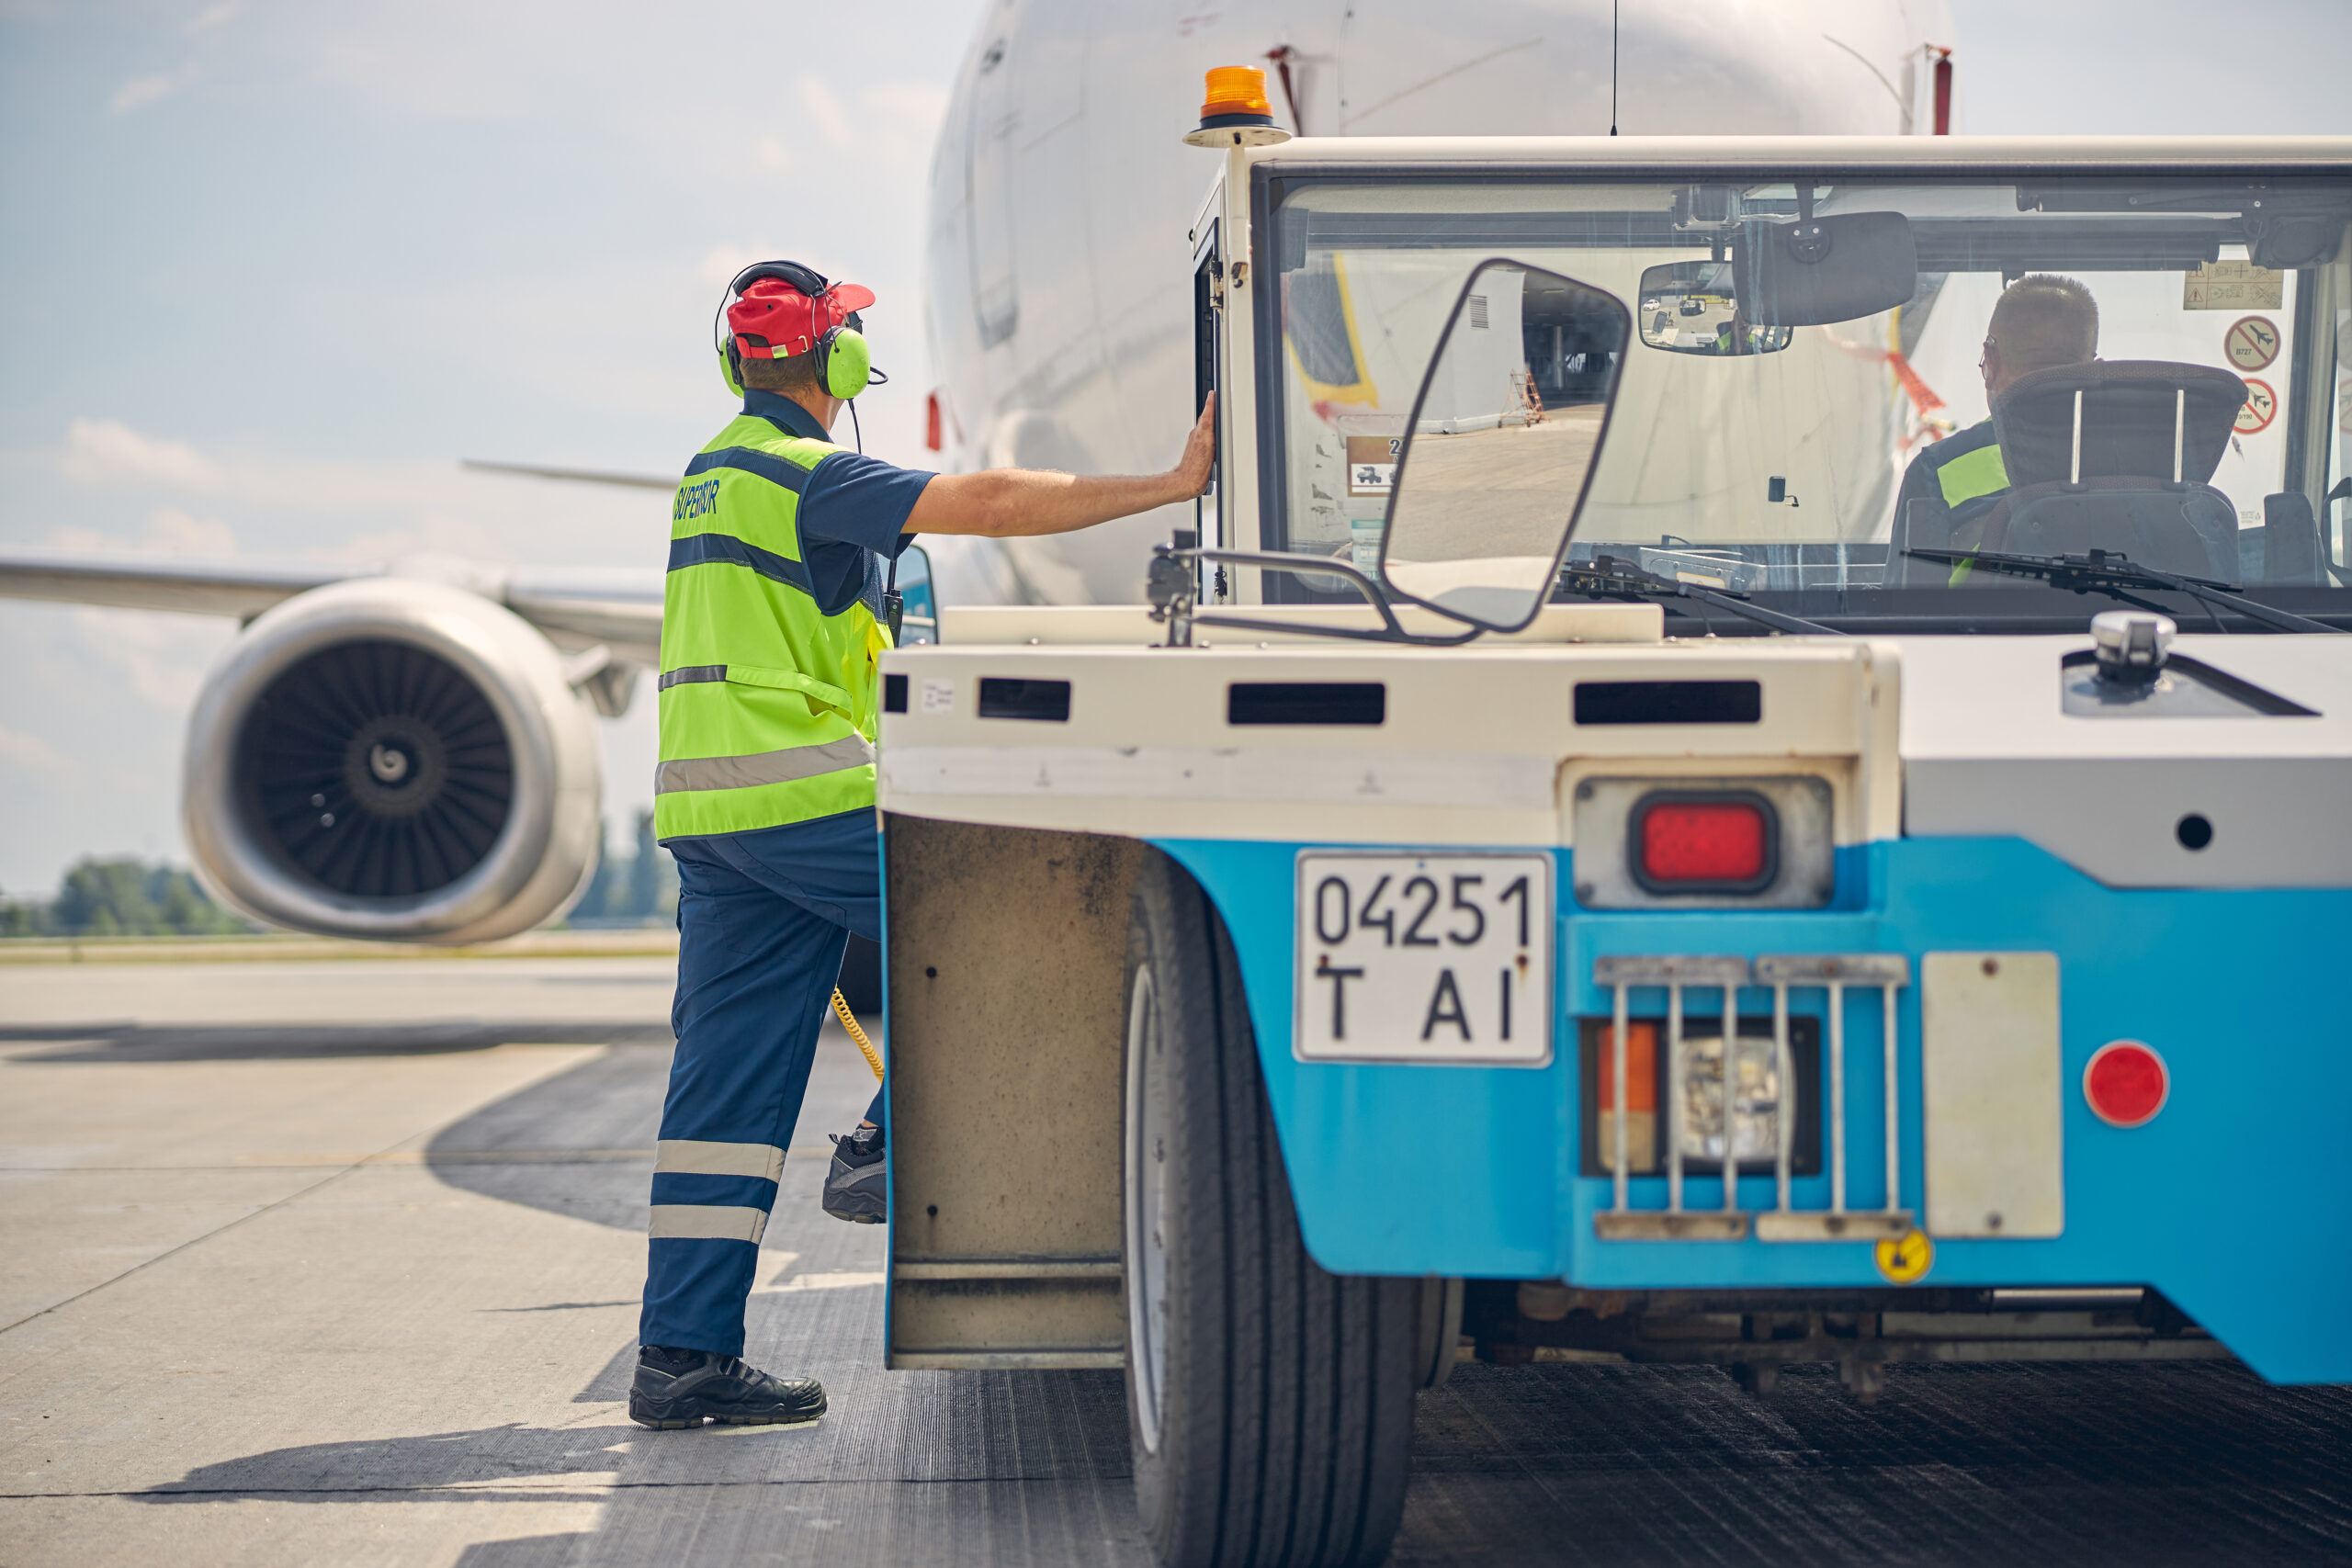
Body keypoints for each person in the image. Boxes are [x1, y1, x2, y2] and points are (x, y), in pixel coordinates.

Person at [630, 260, 1216, 1431]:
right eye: (851, 338)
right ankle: (881, 1150)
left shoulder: (708, 475)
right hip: (797, 793)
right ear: (837, 362)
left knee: (723, 1093)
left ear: (736, 362)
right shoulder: (803, 473)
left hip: (709, 818)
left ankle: (681, 1360)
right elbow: (987, 504)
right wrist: (1171, 483)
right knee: (1010, 933)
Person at [1895, 274, 2099, 533]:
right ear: (2094, 370)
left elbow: (1911, 561)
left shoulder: (1937, 471)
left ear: (1990, 362)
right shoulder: (2140, 458)